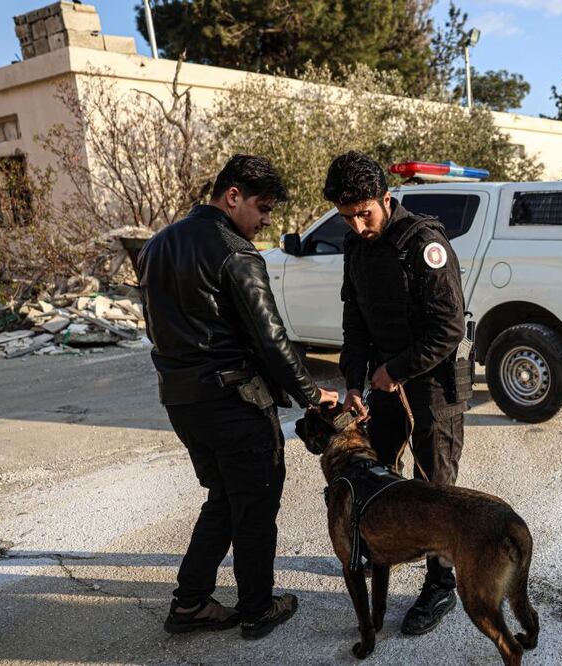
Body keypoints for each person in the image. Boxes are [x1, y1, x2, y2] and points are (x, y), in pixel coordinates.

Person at [139, 155, 338, 639]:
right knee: (255, 504)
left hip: (182, 402)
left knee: (224, 499)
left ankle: (190, 604)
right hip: (234, 402)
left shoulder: (157, 245)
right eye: (263, 208)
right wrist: (313, 394)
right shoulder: (236, 252)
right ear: (233, 197)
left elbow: (155, 326)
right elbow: (271, 339)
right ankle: (257, 608)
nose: (266, 220)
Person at [323, 151, 468, 636]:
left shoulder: (423, 243)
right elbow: (355, 321)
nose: (359, 225)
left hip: (432, 387)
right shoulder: (355, 247)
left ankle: (441, 583)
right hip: (384, 385)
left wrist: (397, 369)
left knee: (436, 489)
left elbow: (449, 328)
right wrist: (354, 381)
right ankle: (382, 549)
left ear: (386, 199)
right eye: (349, 217)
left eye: (366, 213)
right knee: (376, 478)